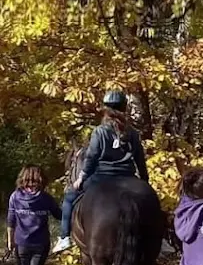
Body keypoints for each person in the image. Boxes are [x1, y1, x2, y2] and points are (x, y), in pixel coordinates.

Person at [52, 90, 150, 254]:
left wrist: (81, 177)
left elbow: (92, 157)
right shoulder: (132, 132)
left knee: (69, 198)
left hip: (102, 176)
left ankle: (64, 238)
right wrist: (145, 181)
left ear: (105, 109)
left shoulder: (100, 131)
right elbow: (140, 158)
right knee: (149, 202)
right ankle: (159, 239)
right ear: (124, 108)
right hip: (128, 176)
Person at [6, 166, 61, 265]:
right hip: (41, 243)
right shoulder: (46, 198)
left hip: (21, 242)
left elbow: (11, 221)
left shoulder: (15, 197)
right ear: (41, 179)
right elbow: (60, 215)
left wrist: (10, 242)